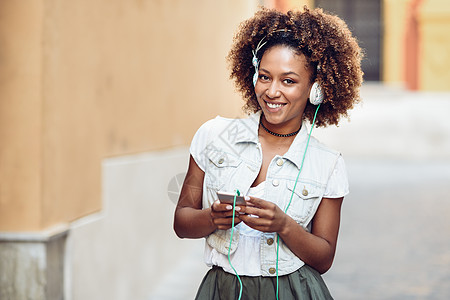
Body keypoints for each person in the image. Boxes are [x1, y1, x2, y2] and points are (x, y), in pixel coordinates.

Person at [174, 6, 362, 300]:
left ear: (315, 90)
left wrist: (284, 225)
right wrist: (213, 218)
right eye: (265, 77)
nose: (272, 92)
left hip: (293, 291)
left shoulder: (328, 164)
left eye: (288, 81)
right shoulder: (214, 136)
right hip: (220, 290)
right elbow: (182, 222)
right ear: (252, 78)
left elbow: (324, 258)